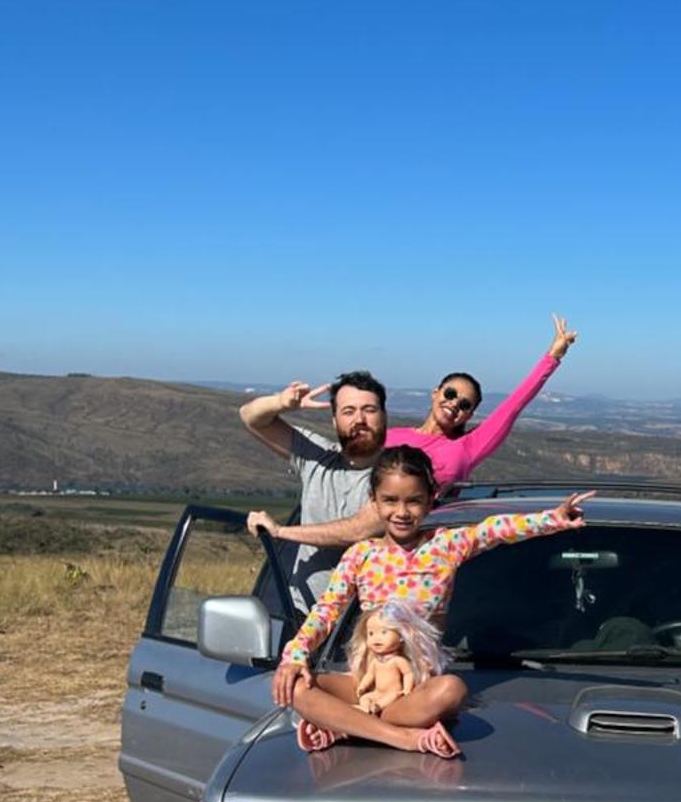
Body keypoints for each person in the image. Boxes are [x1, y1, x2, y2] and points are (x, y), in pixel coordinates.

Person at [273, 444, 593, 758]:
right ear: (373, 500)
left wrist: (553, 519)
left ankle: (348, 724)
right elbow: (327, 609)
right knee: (298, 688)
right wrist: (295, 656)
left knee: (451, 690)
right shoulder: (361, 555)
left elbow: (494, 530)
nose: (401, 512)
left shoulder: (445, 545)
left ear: (430, 501)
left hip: (416, 689)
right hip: (365, 682)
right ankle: (402, 737)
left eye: (413, 501)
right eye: (390, 500)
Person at [247, 314, 577, 562]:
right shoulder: (391, 435)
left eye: (465, 404)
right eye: (450, 394)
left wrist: (553, 357)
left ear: (471, 414)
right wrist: (289, 406)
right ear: (435, 394)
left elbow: (513, 405)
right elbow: (352, 443)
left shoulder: (466, 447)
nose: (455, 405)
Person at [238, 370, 386, 604]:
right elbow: (250, 416)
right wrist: (281, 403)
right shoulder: (317, 458)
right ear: (335, 420)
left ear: (383, 416)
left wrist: (280, 532)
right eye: (348, 411)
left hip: (369, 625)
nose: (359, 419)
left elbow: (358, 530)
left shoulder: (399, 474)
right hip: (304, 615)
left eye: (369, 410)